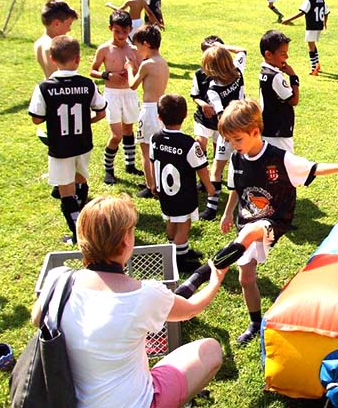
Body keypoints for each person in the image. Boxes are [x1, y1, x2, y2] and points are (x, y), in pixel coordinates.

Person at [32, 194, 226, 407]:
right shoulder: (144, 295)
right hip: (137, 403)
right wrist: (214, 282)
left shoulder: (57, 280)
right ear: (125, 240)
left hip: (65, 399)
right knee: (211, 350)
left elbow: (37, 318)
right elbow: (190, 309)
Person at [215, 99, 338, 344]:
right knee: (245, 278)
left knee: (250, 234)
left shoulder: (279, 159)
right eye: (229, 140)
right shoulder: (238, 158)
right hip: (246, 221)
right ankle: (255, 322)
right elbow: (236, 189)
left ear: (255, 132)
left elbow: (313, 168)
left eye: (237, 139)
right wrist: (227, 213)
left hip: (273, 221)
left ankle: (212, 268)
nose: (232, 145)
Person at [29, 35, 106, 244]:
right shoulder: (87, 84)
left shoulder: (44, 87)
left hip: (60, 148)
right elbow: (100, 112)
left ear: (52, 59)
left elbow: (36, 119)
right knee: (80, 180)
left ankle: (79, 235)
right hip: (83, 144)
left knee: (66, 192)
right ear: (78, 59)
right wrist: (84, 120)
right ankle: (83, 219)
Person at [150, 94, 215, 273]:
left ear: (159, 117)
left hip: (164, 192)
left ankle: (178, 249)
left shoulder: (155, 138)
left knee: (171, 220)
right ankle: (179, 259)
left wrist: (153, 183)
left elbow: (152, 161)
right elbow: (201, 168)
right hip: (183, 194)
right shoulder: (188, 144)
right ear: (185, 115)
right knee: (184, 224)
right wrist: (209, 187)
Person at [90, 11, 143, 185]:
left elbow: (139, 72)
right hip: (112, 95)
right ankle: (109, 169)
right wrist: (106, 75)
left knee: (128, 129)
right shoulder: (105, 49)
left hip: (129, 93)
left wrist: (134, 68)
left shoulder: (134, 49)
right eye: (117, 31)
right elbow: (93, 70)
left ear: (130, 30)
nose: (121, 36)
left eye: (125, 32)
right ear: (110, 28)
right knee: (116, 135)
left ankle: (130, 164)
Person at [200, 45, 245, 222]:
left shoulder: (213, 89)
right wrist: (221, 47)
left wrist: (226, 134)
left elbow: (220, 116)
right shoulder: (238, 70)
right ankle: (245, 202)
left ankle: (212, 207)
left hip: (228, 131)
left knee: (217, 168)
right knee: (244, 167)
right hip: (245, 126)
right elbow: (242, 51)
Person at [126, 25, 170, 199]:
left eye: (138, 46)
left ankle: (151, 185)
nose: (137, 50)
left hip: (149, 109)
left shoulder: (146, 64)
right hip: (161, 109)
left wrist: (130, 67)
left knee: (146, 149)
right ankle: (160, 181)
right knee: (160, 148)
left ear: (146, 44)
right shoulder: (163, 62)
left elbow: (133, 85)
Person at [257, 30, 299, 152]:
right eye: (283, 53)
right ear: (269, 55)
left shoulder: (264, 72)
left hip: (269, 127)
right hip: (278, 132)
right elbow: (294, 100)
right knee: (285, 165)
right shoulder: (275, 76)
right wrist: (293, 77)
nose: (286, 57)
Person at [282, 0, 329, 75]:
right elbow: (326, 12)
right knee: (313, 44)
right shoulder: (322, 0)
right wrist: (324, 23)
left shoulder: (309, 0)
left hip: (311, 26)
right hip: (318, 26)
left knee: (311, 47)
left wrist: (288, 20)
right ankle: (317, 65)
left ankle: (314, 69)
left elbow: (302, 12)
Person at [35, 0, 78, 79]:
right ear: (57, 24)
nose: (69, 29)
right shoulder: (54, 48)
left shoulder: (39, 43)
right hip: (60, 89)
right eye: (69, 25)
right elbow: (63, 78)